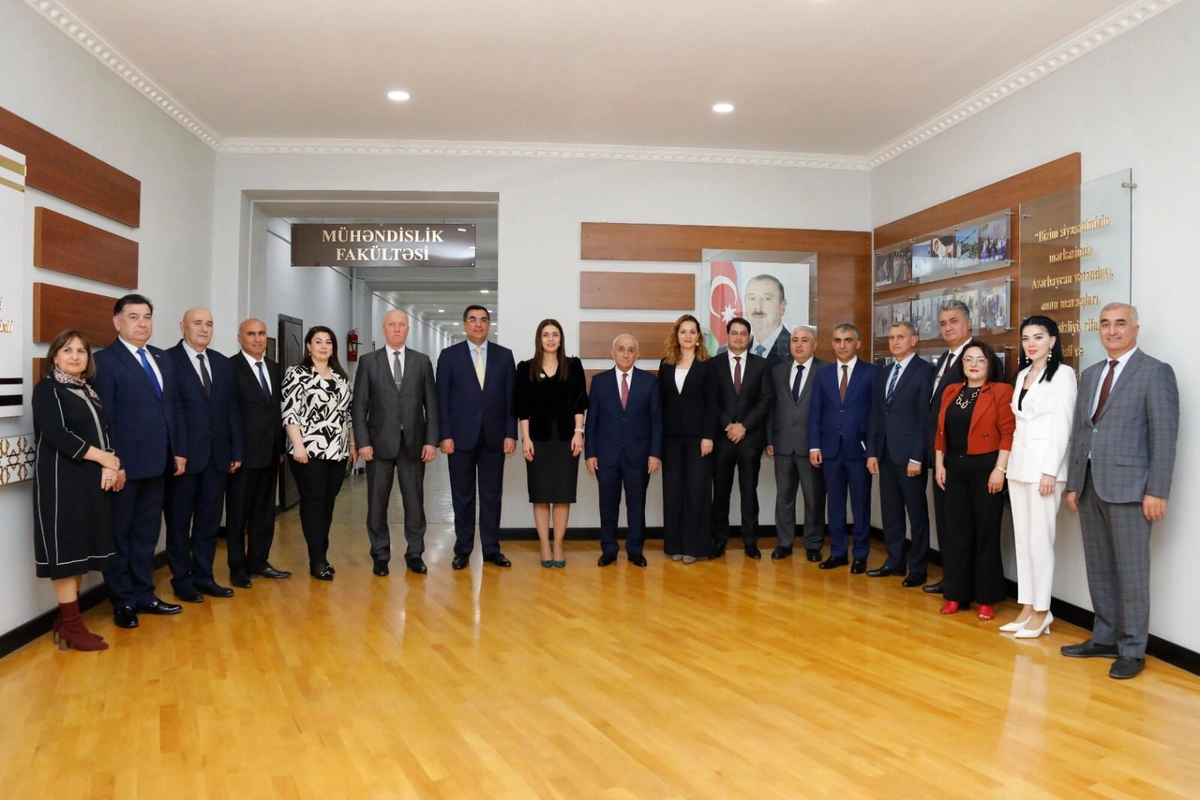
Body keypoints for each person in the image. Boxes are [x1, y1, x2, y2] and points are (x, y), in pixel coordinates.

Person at [1062, 303, 1179, 680]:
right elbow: (1082, 431)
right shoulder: (1091, 374)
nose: (1111, 330)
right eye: (1105, 324)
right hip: (1090, 486)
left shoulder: (1155, 372)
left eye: (1120, 323)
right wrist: (1074, 483)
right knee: (1099, 568)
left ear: (1135, 329)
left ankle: (1132, 649)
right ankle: (1105, 637)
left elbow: (1164, 436)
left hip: (1132, 490)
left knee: (1131, 573)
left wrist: (1157, 491)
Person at [93, 294, 184, 629]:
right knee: (120, 536)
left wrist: (178, 450)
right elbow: (104, 419)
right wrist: (113, 463)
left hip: (158, 463)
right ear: (117, 322)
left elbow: (171, 408)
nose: (142, 323)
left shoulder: (161, 357)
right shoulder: (104, 362)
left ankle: (145, 594)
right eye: (134, 317)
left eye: (147, 316)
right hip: (124, 467)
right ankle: (123, 601)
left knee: (147, 535)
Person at [32, 331, 121, 651]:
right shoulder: (48, 389)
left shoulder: (86, 390)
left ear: (88, 359)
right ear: (55, 356)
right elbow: (58, 434)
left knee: (79, 550)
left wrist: (111, 463)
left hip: (87, 481)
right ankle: (72, 626)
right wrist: (104, 458)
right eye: (67, 350)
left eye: (81, 351)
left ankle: (65, 622)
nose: (74, 356)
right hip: (61, 482)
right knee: (66, 551)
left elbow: (102, 432)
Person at [1001, 316, 1077, 638]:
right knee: (1023, 540)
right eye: (1026, 338)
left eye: (1038, 337)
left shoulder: (1063, 374)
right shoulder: (1022, 375)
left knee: (1040, 541)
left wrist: (1050, 470)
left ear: (1053, 341)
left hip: (1045, 470)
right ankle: (1027, 606)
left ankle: (1043, 611)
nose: (1031, 344)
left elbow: (1063, 425)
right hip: (1019, 467)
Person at [164, 308, 244, 604]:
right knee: (179, 523)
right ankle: (182, 580)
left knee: (209, 521)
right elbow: (168, 411)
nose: (204, 328)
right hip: (183, 458)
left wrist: (236, 449)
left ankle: (204, 576)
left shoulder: (222, 363)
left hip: (217, 457)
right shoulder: (167, 361)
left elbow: (230, 408)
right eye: (197, 323)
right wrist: (176, 450)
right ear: (182, 326)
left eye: (209, 324)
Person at [353, 309, 439, 576]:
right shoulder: (368, 362)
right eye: (392, 324)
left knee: (414, 502)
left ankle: (415, 553)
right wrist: (362, 442)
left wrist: (431, 441)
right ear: (384, 328)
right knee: (377, 503)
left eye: (402, 324)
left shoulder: (422, 362)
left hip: (414, 443)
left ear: (408, 329)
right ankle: (380, 555)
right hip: (378, 444)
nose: (397, 329)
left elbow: (432, 406)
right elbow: (359, 406)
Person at [934, 341, 1014, 621]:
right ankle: (956, 594)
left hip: (987, 469)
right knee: (956, 533)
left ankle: (986, 598)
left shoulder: (1001, 391)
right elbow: (941, 432)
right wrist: (939, 464)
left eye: (980, 359)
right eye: (968, 359)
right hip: (954, 469)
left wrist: (1000, 469)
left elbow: (1008, 432)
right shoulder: (951, 391)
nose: (974, 364)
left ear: (990, 364)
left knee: (986, 533)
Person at [437, 304, 516, 570]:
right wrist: (444, 435)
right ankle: (463, 549)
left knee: (492, 495)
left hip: (495, 436)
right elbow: (441, 400)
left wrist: (511, 433)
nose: (478, 324)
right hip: (459, 438)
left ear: (489, 324)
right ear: (464, 324)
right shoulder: (449, 356)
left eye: (483, 319)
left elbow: (511, 400)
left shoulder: (504, 356)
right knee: (463, 495)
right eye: (472, 319)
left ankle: (492, 549)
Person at [282, 326, 356, 581]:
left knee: (327, 503)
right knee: (313, 502)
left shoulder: (341, 376)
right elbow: (289, 411)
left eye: (328, 342)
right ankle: (317, 560)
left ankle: (321, 554)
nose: (323, 346)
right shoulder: (297, 373)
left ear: (333, 348)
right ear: (308, 346)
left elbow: (347, 414)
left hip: (337, 451)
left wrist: (352, 445)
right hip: (308, 450)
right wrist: (298, 445)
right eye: (318, 341)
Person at [865, 321, 936, 587]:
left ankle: (918, 568)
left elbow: (924, 419)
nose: (895, 342)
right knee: (891, 512)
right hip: (885, 454)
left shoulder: (925, 372)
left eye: (901, 337)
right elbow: (876, 413)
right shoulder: (884, 372)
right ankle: (894, 561)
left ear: (914, 340)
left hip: (910, 457)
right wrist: (872, 452)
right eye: (892, 337)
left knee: (916, 514)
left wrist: (917, 457)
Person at [514, 319, 588, 568]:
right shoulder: (526, 368)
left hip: (566, 440)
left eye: (555, 334)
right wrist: (526, 439)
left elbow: (579, 403)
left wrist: (579, 433)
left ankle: (558, 544)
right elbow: (523, 408)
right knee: (541, 495)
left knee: (562, 495)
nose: (550, 339)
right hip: (538, 441)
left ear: (561, 338)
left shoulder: (573, 366)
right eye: (546, 334)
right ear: (539, 338)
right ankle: (544, 544)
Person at [585, 334, 661, 567]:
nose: (626, 354)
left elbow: (656, 421)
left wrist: (655, 454)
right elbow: (592, 421)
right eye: (621, 349)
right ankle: (609, 550)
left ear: (637, 355)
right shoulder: (599, 382)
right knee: (607, 507)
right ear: (612, 353)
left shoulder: (650, 382)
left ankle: (635, 551)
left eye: (631, 350)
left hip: (639, 456)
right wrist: (590, 453)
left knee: (636, 507)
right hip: (606, 456)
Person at [224, 318, 290, 589]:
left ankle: (259, 562)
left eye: (261, 333)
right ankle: (237, 567)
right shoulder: (230, 368)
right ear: (240, 338)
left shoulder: (274, 368)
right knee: (238, 514)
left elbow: (278, 411)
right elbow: (228, 413)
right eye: (251, 334)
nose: (257, 339)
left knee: (264, 514)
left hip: (271, 453)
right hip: (243, 456)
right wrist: (233, 451)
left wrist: (281, 446)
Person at [809, 323, 878, 573]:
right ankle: (838, 552)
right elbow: (815, 411)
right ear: (832, 344)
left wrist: (872, 451)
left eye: (848, 340)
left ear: (857, 343)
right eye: (837, 340)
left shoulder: (872, 372)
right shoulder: (823, 374)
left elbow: (876, 415)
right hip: (830, 449)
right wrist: (814, 445)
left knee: (860, 505)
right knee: (835, 505)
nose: (842, 345)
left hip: (859, 450)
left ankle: (860, 554)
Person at [710, 317, 773, 559]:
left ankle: (750, 542)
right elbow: (710, 401)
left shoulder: (761, 365)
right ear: (727, 335)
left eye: (743, 333)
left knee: (749, 493)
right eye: (734, 333)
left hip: (750, 439)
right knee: (721, 493)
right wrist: (728, 425)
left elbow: (765, 400)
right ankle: (718, 541)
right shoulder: (713, 365)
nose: (738, 337)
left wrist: (744, 426)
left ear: (749, 337)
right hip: (722, 439)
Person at [923, 299, 974, 596]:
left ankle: (962, 581)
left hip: (962, 455)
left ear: (969, 323)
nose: (948, 328)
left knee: (959, 522)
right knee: (943, 519)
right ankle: (951, 577)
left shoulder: (976, 356)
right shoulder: (944, 358)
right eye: (943, 323)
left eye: (953, 321)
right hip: (941, 454)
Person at [658, 314, 717, 564]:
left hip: (698, 439)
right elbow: (661, 402)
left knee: (696, 491)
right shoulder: (666, 364)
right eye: (683, 331)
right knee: (673, 491)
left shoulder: (708, 364)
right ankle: (675, 544)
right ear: (677, 335)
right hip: (671, 439)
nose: (688, 336)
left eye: (693, 332)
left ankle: (695, 546)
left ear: (699, 337)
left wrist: (708, 436)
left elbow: (713, 404)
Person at [766, 326, 828, 561]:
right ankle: (784, 542)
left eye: (804, 340)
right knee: (784, 497)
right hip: (782, 445)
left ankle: (813, 543)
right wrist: (769, 439)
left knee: (814, 498)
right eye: (795, 340)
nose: (799, 345)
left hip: (812, 447)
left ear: (814, 344)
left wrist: (820, 443)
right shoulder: (778, 370)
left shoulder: (825, 370)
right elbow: (772, 407)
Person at [743, 274, 792, 368]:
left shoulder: (796, 350)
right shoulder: (735, 351)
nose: (758, 307)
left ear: (782, 306)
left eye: (767, 299)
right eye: (752, 298)